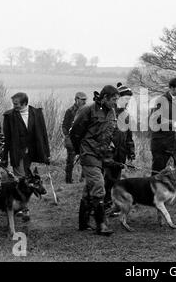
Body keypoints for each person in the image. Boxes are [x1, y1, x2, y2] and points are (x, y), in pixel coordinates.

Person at [70, 85, 119, 236]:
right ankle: (101, 225)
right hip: (88, 153)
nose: (115, 102)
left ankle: (83, 223)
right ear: (104, 98)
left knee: (89, 188)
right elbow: (75, 133)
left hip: (102, 154)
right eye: (113, 99)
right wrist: (82, 151)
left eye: (117, 99)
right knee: (98, 186)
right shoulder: (88, 110)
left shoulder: (111, 111)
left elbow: (110, 131)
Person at [1, 92, 51, 178]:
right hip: (16, 151)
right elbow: (7, 138)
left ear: (24, 103)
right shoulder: (9, 116)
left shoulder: (37, 113)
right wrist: (4, 157)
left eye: (16, 104)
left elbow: (43, 134)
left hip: (32, 150)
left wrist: (47, 154)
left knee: (27, 175)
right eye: (13, 103)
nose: (14, 106)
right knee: (20, 177)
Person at [103, 83, 135, 212]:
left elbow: (129, 137)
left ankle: (113, 204)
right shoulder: (109, 113)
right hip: (108, 153)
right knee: (108, 180)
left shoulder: (126, 115)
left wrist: (131, 153)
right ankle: (104, 204)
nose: (127, 102)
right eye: (125, 99)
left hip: (121, 153)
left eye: (129, 100)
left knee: (116, 180)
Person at [62, 92, 87, 183]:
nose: (84, 101)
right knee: (70, 161)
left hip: (83, 140)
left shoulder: (86, 111)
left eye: (85, 100)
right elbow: (64, 126)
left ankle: (83, 179)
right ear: (76, 99)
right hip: (72, 140)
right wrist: (67, 137)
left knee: (85, 160)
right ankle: (68, 180)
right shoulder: (70, 111)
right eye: (82, 99)